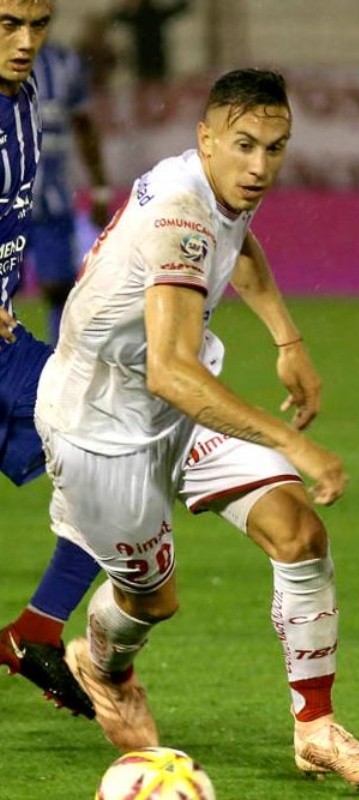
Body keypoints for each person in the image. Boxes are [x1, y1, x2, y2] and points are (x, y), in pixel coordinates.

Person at [35, 67, 359, 790]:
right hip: (102, 428)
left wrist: (287, 340)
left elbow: (243, 248)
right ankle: (101, 663)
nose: (260, 167)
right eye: (244, 146)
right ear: (205, 139)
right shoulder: (178, 209)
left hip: (176, 405)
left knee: (299, 534)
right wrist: (290, 441)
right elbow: (171, 370)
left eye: (275, 147)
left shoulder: (218, 188)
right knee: (152, 600)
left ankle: (317, 731)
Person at [0, 0, 97, 720]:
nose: (28, 41)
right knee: (124, 435)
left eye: (39, 23)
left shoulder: (28, 96)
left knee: (119, 460)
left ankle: (34, 631)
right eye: (8, 23)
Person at [29, 40, 111, 344]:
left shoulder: (66, 63)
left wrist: (100, 190)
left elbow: (85, 126)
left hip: (53, 200)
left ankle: (59, 371)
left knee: (59, 288)